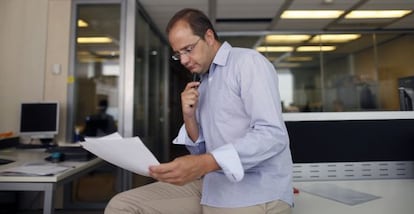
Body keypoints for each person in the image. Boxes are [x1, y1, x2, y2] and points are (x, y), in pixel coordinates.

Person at [105, 8, 293, 214]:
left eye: (188, 49)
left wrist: (205, 163)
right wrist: (189, 117)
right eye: (178, 54)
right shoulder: (203, 83)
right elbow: (201, 152)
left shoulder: (247, 63)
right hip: (212, 185)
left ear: (209, 37)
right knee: (121, 206)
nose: (184, 60)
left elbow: (272, 135)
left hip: (255, 189)